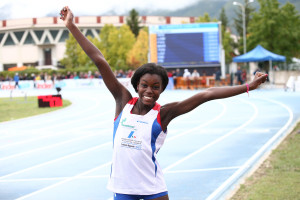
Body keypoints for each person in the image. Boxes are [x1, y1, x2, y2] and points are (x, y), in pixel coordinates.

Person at [60, 6, 268, 200]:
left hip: (153, 188)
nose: (149, 91)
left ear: (161, 90)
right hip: (122, 188)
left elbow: (207, 93)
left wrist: (249, 86)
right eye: (145, 85)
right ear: (136, 86)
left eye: (156, 87)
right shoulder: (122, 101)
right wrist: (71, 26)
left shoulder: (164, 113)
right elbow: (99, 60)